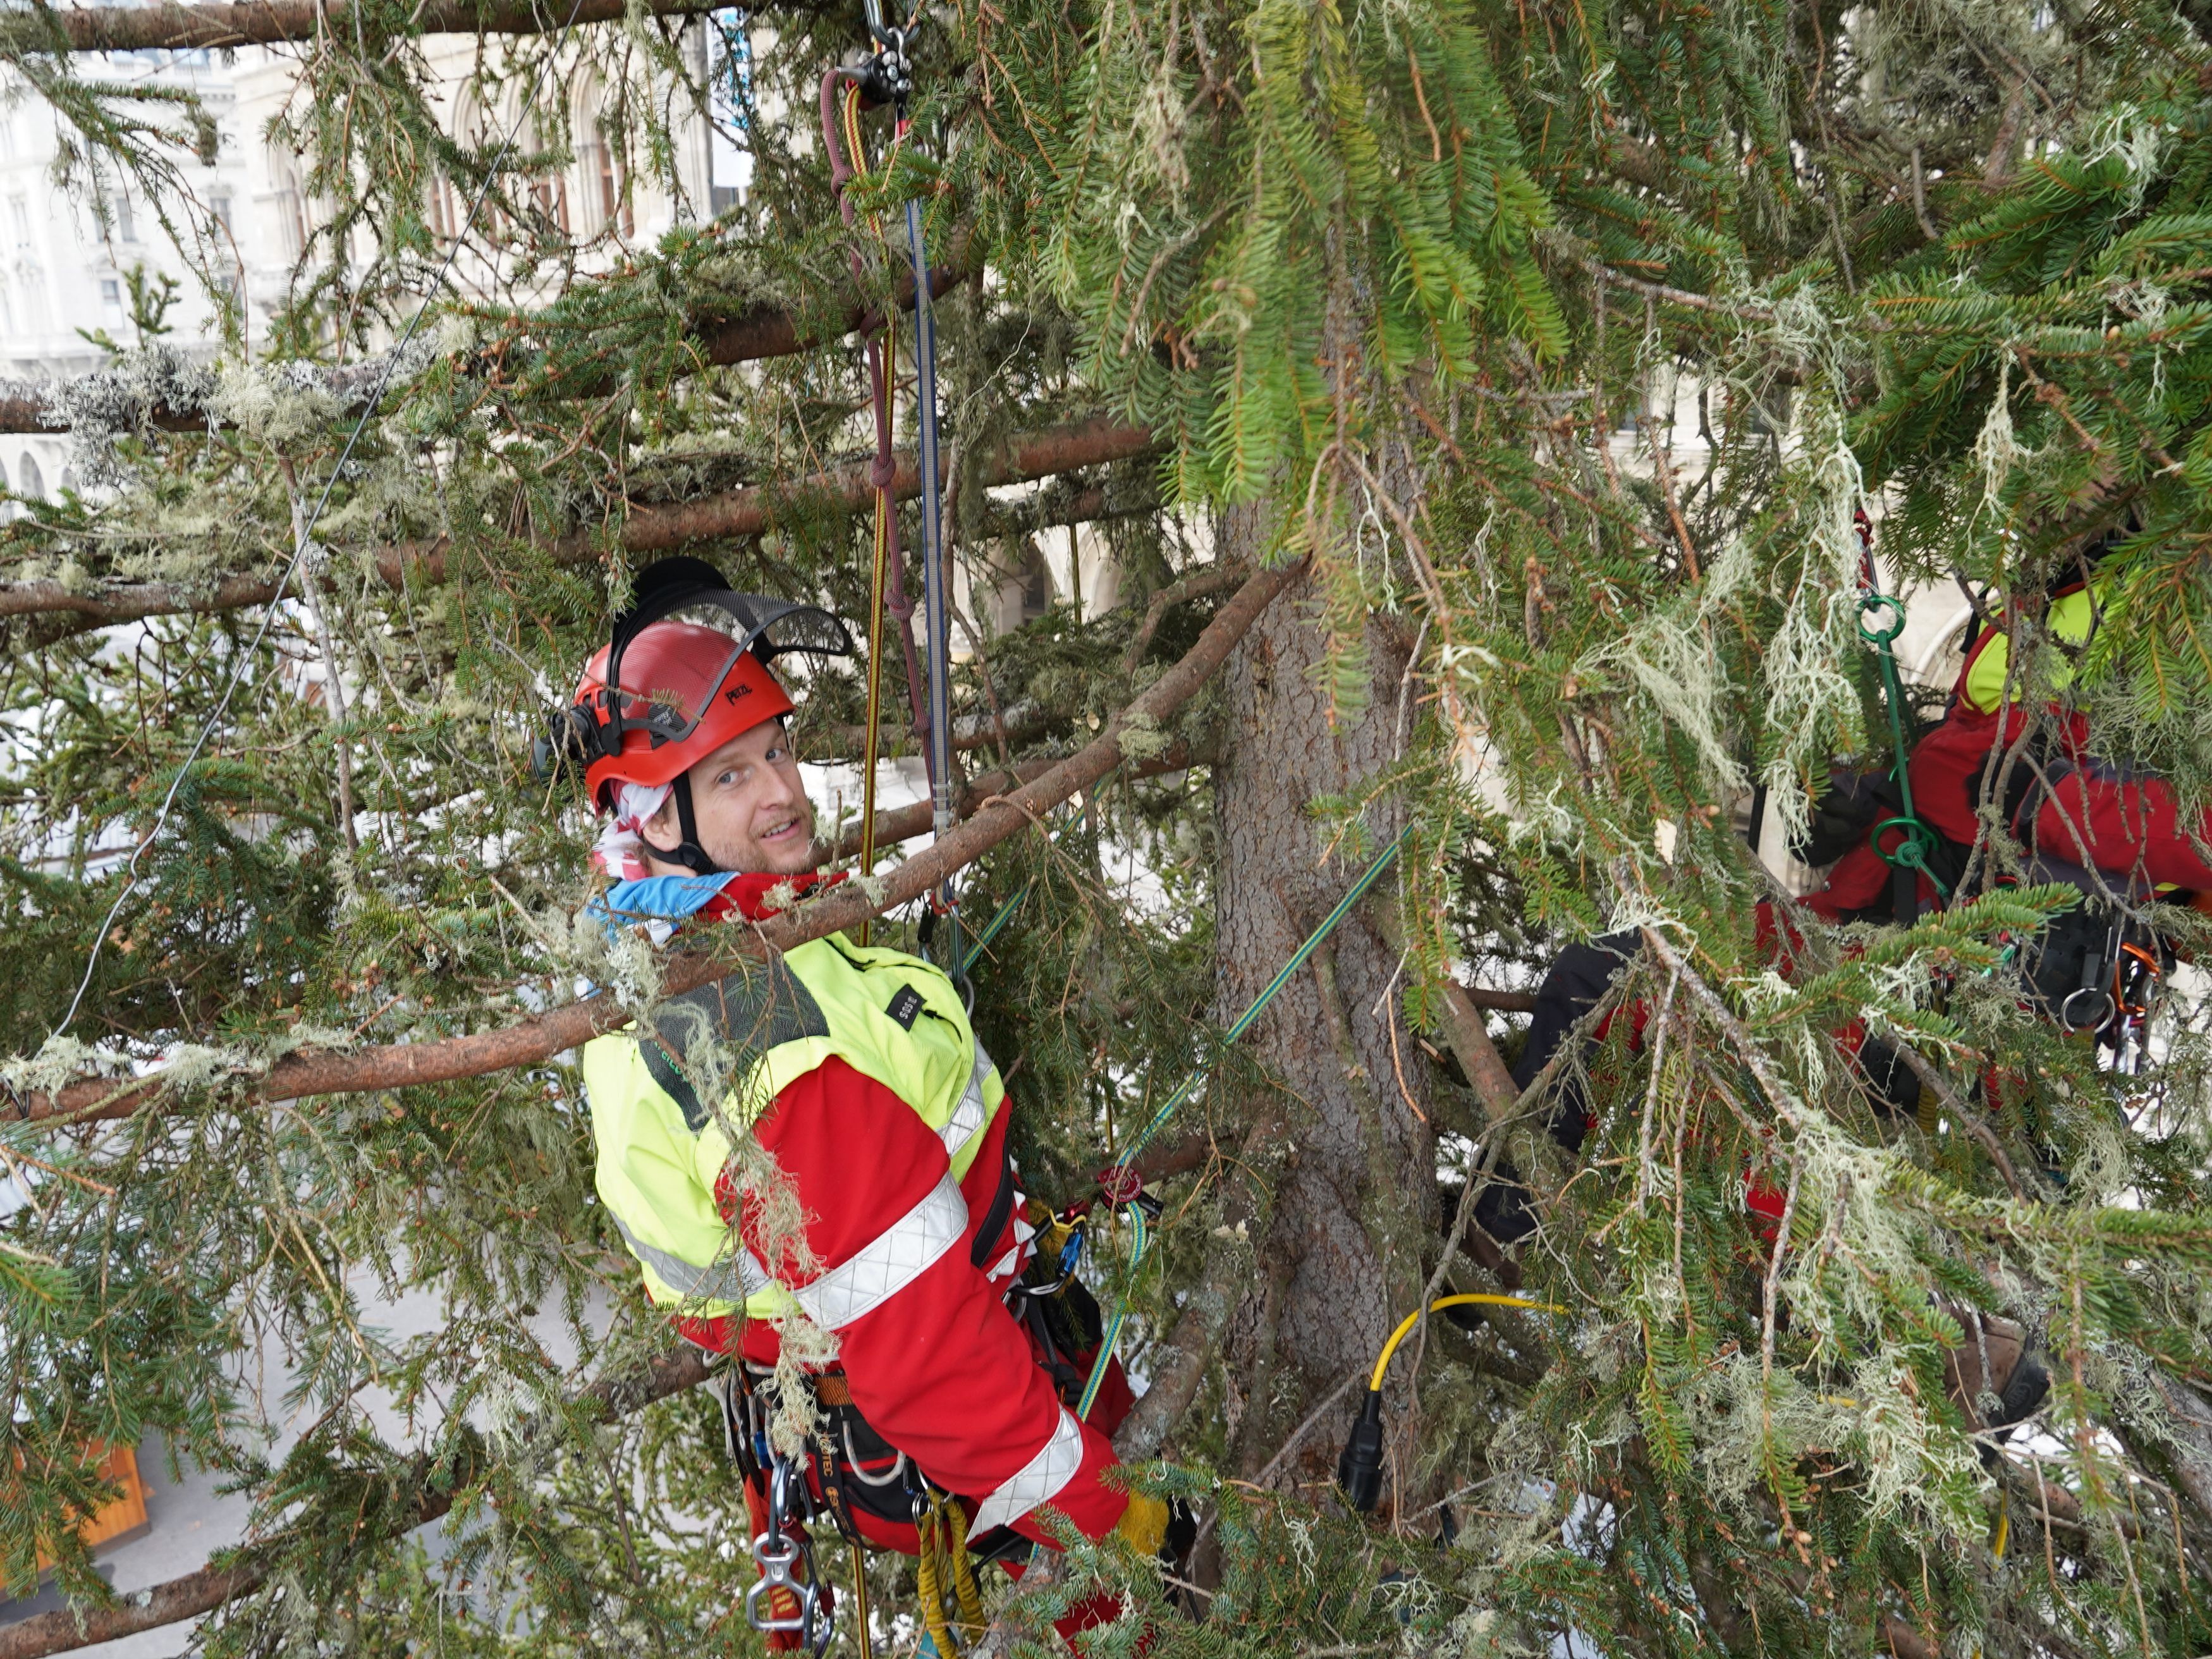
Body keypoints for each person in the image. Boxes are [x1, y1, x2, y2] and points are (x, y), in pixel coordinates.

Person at [550, 559, 1166, 1646]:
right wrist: (1109, 1533)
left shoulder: (705, 944)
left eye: (777, 750)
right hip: (991, 1449)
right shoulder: (746, 1033)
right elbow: (926, 1354)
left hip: (994, 1383)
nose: (785, 790)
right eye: (731, 777)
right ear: (649, 821)